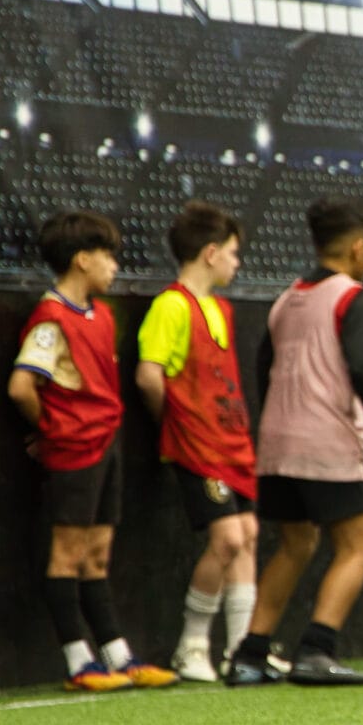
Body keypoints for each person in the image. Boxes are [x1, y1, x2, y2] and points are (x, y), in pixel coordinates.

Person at [226, 195, 363, 688]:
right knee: (357, 545)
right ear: (355, 247)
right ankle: (316, 649)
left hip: (278, 442)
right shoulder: (355, 297)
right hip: (326, 440)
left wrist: (276, 423)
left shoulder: (287, 298)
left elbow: (263, 367)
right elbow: (362, 368)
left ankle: (250, 653)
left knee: (295, 543)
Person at [8, 211, 177, 692]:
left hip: (107, 442)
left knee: (97, 555)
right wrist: (54, 429)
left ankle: (117, 654)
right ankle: (77, 661)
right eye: (108, 256)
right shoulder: (50, 318)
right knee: (67, 554)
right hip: (75, 449)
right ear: (82, 260)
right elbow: (21, 387)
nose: (114, 266)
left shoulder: (102, 315)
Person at [135, 202, 259, 683]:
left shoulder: (220, 308)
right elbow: (149, 376)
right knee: (227, 540)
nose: (237, 262)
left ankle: (242, 652)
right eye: (232, 252)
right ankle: (191, 646)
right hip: (199, 448)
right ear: (210, 253)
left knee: (247, 537)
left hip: (232, 444)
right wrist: (177, 424)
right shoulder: (171, 305)